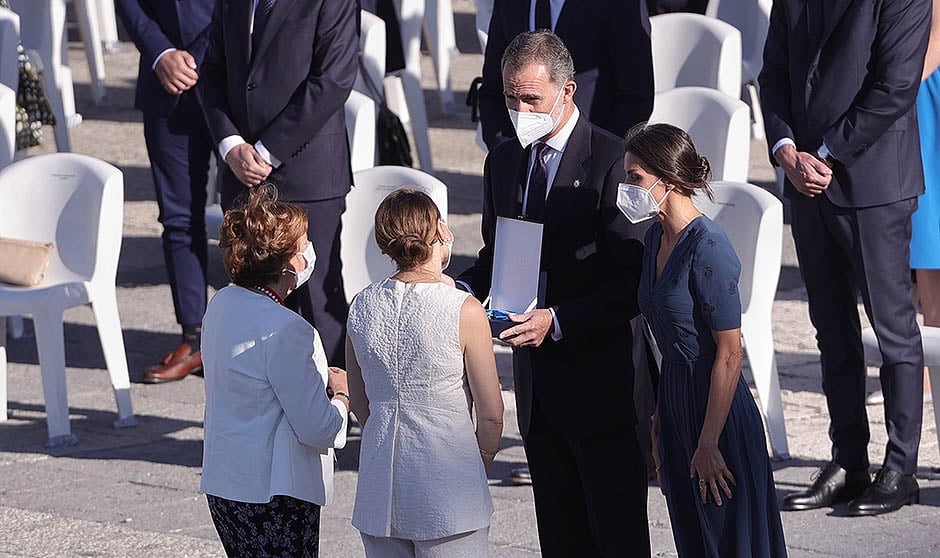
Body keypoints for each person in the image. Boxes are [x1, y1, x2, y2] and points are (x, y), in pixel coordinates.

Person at [456, 31, 650, 556]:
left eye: (530, 100)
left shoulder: (616, 161)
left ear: (568, 92)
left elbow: (634, 281)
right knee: (560, 539)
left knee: (616, 537)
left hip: (603, 385)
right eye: (510, 98)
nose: (519, 111)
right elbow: (496, 256)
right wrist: (451, 293)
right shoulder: (504, 161)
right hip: (539, 390)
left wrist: (559, 320)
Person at [759, 0, 930, 516]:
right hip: (804, 182)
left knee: (893, 327)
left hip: (874, 183)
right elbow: (773, 75)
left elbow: (895, 85)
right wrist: (785, 148)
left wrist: (828, 154)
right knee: (830, 327)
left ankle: (901, 468)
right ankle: (848, 460)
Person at [621, 123, 787, 556]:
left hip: (717, 409)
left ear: (669, 179)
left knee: (726, 538)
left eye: (635, 178)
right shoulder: (656, 236)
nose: (626, 188)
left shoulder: (709, 246)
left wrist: (709, 441)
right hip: (676, 399)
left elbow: (730, 353)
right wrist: (661, 413)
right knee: (692, 537)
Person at [346, 188, 505, 557]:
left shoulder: (362, 304)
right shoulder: (463, 309)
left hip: (379, 484)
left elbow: (361, 402)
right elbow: (492, 413)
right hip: (449, 484)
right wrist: (477, 462)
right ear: (441, 232)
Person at [199, 0, 358, 367]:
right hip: (240, 171)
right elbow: (211, 70)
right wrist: (230, 144)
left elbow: (333, 79)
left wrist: (267, 151)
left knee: (316, 298)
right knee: (247, 300)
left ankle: (332, 407)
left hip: (307, 172)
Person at [200, 185, 349, 557]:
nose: (309, 252)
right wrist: (342, 395)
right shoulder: (290, 330)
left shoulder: (222, 303)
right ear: (285, 264)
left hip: (225, 487)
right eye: (303, 245)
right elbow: (318, 427)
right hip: (274, 497)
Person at [115, 0, 215, 383]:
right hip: (166, 86)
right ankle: (195, 336)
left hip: (236, 74)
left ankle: (254, 340)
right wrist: (162, 54)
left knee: (254, 215)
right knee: (177, 217)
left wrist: (196, 57)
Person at [477, 0, 654, 150]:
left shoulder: (617, 4)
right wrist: (505, 149)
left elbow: (636, 94)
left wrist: (601, 156)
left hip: (589, 158)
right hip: (520, 156)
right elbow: (493, 86)